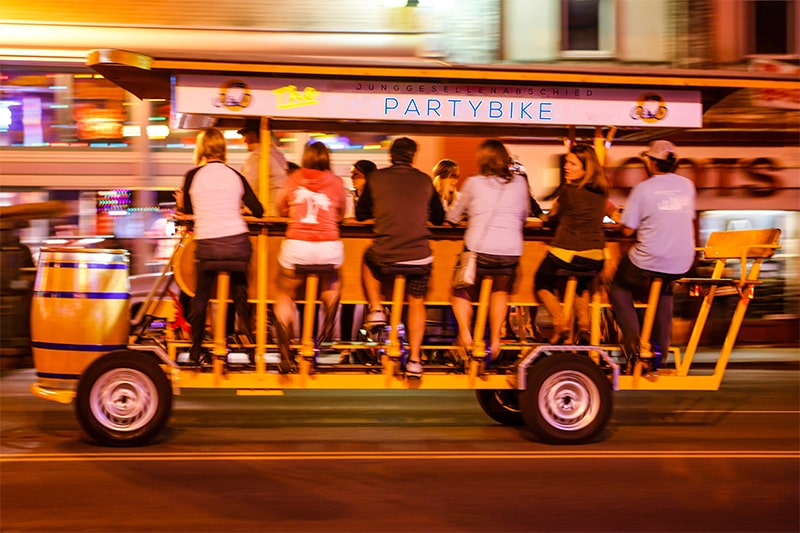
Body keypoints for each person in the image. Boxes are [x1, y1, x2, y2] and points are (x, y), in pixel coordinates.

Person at [355, 137, 445, 379]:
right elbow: (439, 218)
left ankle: (376, 309)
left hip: (386, 256)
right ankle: (415, 360)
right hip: (419, 257)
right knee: (416, 302)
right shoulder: (425, 180)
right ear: (413, 157)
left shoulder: (376, 178)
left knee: (367, 256)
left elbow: (360, 214)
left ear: (390, 157)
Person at [609, 140, 696, 373]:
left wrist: (619, 215)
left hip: (650, 258)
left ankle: (633, 341)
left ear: (651, 162)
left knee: (618, 286)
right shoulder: (688, 186)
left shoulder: (644, 189)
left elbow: (627, 229)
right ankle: (661, 349)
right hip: (682, 261)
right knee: (664, 288)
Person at [181, 127, 264, 365]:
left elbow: (187, 210)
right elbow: (258, 210)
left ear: (202, 148)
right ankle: (247, 338)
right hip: (238, 244)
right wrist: (240, 208)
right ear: (223, 148)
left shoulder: (192, 175)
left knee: (201, 296)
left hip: (207, 244)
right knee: (240, 289)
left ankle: (196, 348)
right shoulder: (235, 175)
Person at [446, 140, 530, 362]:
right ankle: (495, 340)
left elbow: (453, 217)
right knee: (500, 289)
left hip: (479, 252)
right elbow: (524, 215)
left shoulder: (474, 183)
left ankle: (465, 334)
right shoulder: (520, 183)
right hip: (510, 253)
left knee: (458, 289)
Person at [273, 142, 346, 373]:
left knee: (285, 293)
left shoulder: (293, 178)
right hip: (328, 247)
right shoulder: (336, 182)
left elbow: (280, 208)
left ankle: (285, 351)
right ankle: (329, 316)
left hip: (297, 246)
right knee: (332, 282)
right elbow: (342, 213)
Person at [534, 143, 610, 345]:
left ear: (586, 169)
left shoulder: (567, 191)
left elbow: (553, 219)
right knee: (581, 284)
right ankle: (584, 326)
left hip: (567, 251)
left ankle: (561, 322)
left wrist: (545, 217)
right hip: (596, 256)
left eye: (572, 164)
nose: (566, 166)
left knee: (541, 281)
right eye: (566, 162)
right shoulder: (602, 192)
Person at [238, 119, 288, 217]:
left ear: (253, 134)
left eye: (245, 135)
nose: (244, 140)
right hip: (279, 212)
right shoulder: (279, 155)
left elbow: (247, 189)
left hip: (266, 214)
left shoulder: (257, 157)